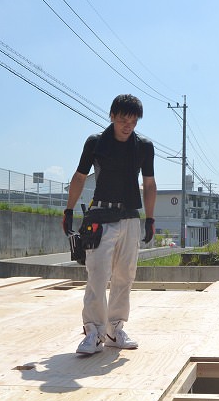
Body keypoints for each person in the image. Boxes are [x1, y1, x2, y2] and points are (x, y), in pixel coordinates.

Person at [62, 94, 157, 355]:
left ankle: (115, 329)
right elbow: (80, 176)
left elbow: (149, 183)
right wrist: (69, 210)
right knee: (98, 275)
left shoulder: (144, 146)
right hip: (100, 216)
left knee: (125, 275)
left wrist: (150, 218)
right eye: (124, 119)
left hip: (130, 217)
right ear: (112, 116)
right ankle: (93, 332)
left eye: (134, 120)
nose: (128, 125)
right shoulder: (96, 143)